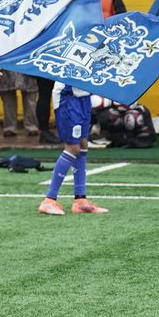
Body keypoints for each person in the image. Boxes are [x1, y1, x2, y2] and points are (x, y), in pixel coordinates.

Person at [38, 79, 110, 215]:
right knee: (73, 148)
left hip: (84, 95)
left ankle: (80, 200)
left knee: (83, 145)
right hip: (68, 95)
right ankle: (49, 200)